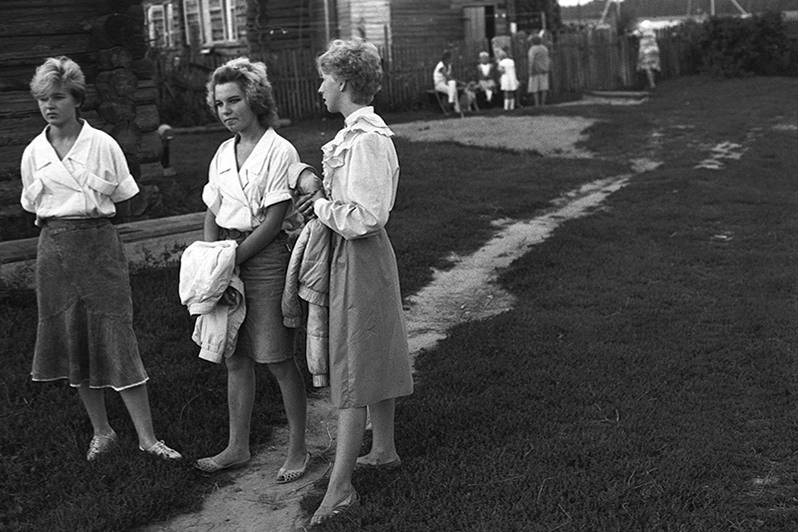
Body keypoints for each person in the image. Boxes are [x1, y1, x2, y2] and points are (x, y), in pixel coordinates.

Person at [19, 56, 182, 462]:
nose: (49, 106)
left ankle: (147, 438)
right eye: (42, 99)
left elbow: (126, 197)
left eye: (57, 97)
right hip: (54, 251)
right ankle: (102, 431)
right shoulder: (33, 152)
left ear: (76, 99)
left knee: (116, 336)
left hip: (97, 246)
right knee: (74, 339)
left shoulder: (102, 144)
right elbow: (33, 205)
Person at [297, 38, 414, 527]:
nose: (320, 87)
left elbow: (365, 215)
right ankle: (382, 449)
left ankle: (341, 487)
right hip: (360, 255)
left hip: (360, 254)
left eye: (325, 78)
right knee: (374, 349)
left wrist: (318, 203)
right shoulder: (356, 134)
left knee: (352, 363)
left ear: (342, 83)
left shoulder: (365, 140)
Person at [194, 57, 309, 483]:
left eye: (234, 100)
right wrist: (213, 259)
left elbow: (275, 219)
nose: (226, 111)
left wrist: (231, 260)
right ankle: (236, 446)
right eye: (219, 103)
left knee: (277, 357)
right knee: (235, 356)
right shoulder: (223, 153)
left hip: (264, 260)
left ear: (255, 100)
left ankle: (298, 447)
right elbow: (213, 209)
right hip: (227, 255)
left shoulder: (280, 150)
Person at [433, 50, 461, 114]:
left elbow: (450, 77)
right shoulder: (441, 66)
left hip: (445, 84)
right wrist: (460, 82)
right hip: (439, 84)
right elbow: (447, 76)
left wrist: (454, 80)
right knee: (453, 91)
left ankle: (455, 106)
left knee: (453, 87)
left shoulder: (449, 66)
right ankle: (455, 107)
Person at [635, 20, 660, 91]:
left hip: (646, 51)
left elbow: (634, 34)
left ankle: (652, 84)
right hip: (654, 51)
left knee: (647, 67)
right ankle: (652, 83)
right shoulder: (652, 33)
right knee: (653, 67)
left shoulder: (642, 33)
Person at [527, 34, 551, 107]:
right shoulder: (544, 48)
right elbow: (547, 58)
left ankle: (537, 104)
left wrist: (531, 70)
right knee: (544, 87)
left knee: (535, 88)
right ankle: (543, 103)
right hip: (544, 69)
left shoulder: (532, 49)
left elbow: (532, 60)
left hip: (535, 70)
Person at [496, 46, 519, 111]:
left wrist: (498, 65)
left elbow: (502, 71)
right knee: (511, 92)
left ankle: (506, 107)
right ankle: (512, 107)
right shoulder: (511, 61)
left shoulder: (501, 62)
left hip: (505, 78)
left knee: (506, 92)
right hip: (512, 78)